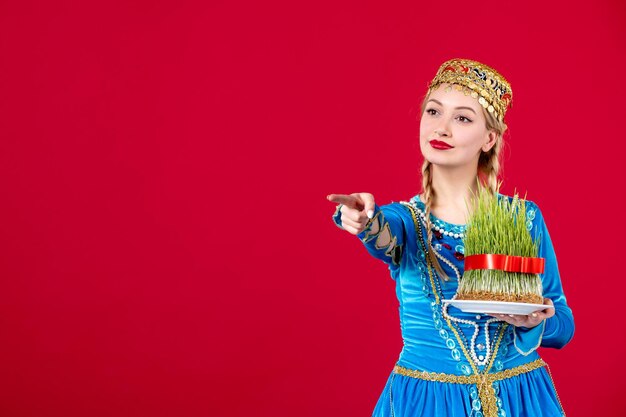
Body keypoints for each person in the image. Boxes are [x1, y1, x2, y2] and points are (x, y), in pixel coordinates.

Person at [326, 58, 574, 417]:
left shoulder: (523, 218)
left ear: (489, 139)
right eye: (433, 111)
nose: (441, 128)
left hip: (520, 398)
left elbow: (563, 325)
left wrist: (536, 320)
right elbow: (383, 234)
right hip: (429, 402)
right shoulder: (406, 221)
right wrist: (364, 219)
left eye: (462, 118)